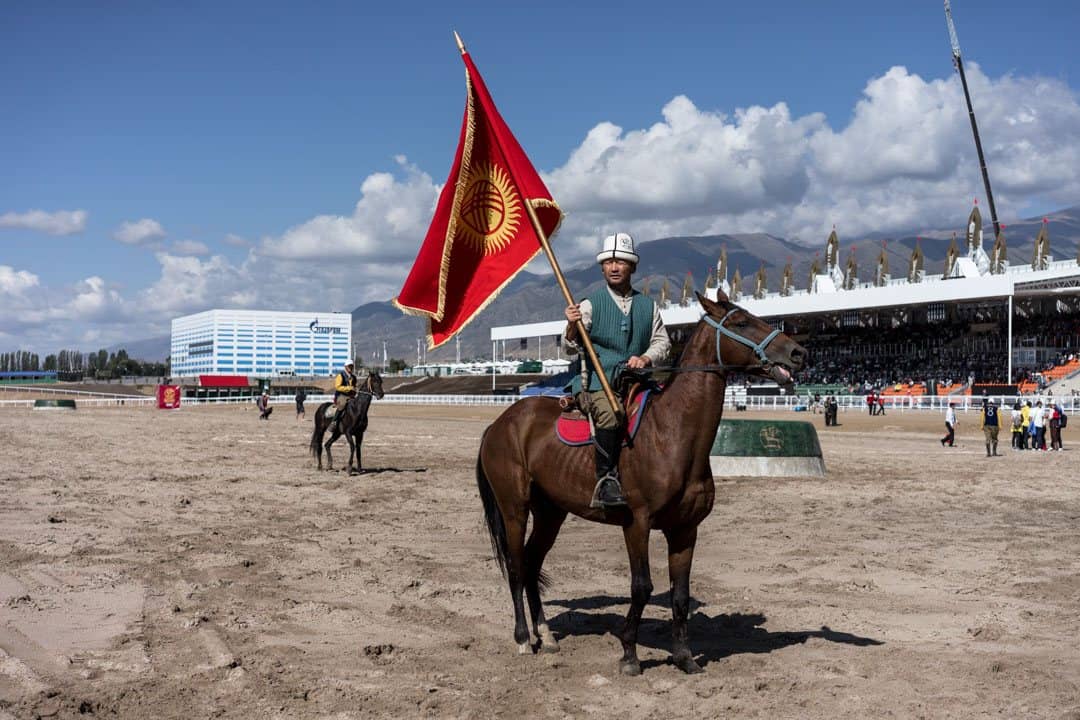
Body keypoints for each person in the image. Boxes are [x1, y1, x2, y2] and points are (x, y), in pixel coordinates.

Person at [564, 232, 670, 509]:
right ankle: (606, 480)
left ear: (632, 267)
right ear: (601, 267)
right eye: (609, 262)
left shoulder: (649, 306)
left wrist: (646, 358)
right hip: (598, 383)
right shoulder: (589, 305)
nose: (614, 267)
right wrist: (572, 325)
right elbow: (569, 346)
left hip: (637, 381)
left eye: (620, 262)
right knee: (611, 416)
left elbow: (662, 342)